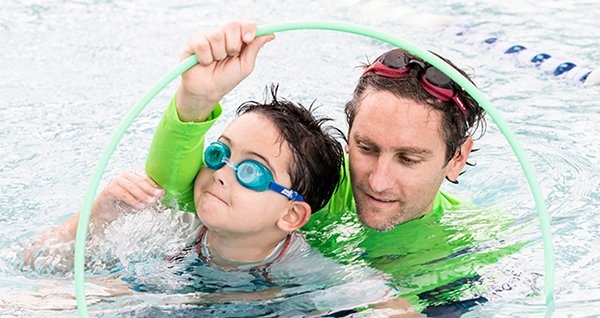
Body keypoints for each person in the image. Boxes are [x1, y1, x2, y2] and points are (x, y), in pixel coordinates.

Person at [146, 18, 524, 315]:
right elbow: (180, 195)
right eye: (366, 147)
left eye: (408, 159)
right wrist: (196, 99)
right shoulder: (316, 183)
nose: (376, 181)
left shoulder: (470, 246)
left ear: (456, 158)